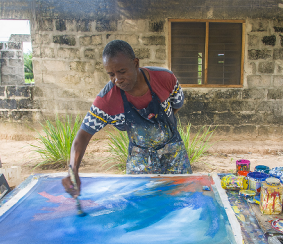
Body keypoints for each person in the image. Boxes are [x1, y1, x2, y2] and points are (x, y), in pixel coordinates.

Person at [62, 40, 192, 197]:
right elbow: (83, 135)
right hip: (140, 159)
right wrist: (73, 169)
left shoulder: (165, 79)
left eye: (122, 72)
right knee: (141, 206)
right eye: (111, 74)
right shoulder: (107, 100)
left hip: (174, 152)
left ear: (135, 63)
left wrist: (159, 127)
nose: (117, 80)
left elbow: (176, 105)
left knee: (182, 198)